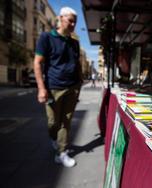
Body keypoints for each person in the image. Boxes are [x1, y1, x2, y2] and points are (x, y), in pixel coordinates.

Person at [33, 7, 82, 167]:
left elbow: (77, 65)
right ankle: (54, 139)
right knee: (53, 122)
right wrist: (41, 88)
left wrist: (78, 87)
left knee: (65, 122)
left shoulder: (74, 43)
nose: (73, 24)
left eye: (75, 21)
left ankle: (61, 152)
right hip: (53, 88)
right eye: (70, 20)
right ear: (60, 18)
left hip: (72, 88)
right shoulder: (46, 37)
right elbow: (38, 63)